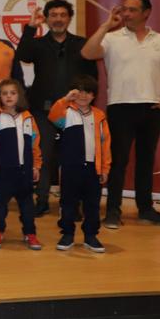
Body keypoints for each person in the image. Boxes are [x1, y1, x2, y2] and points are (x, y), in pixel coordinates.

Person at [80, 0, 160, 228]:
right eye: (124, 9)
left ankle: (146, 209)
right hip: (120, 106)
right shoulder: (112, 38)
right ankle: (113, 211)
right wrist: (106, 25)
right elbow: (87, 53)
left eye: (132, 10)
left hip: (152, 107)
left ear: (146, 13)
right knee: (118, 161)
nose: (126, 14)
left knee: (146, 160)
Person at [16, 0, 98, 216]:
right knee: (42, 155)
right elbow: (22, 55)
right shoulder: (38, 44)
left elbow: (92, 76)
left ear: (69, 18)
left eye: (63, 15)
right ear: (47, 19)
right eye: (53, 15)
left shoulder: (82, 44)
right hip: (43, 110)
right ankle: (42, 200)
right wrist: (31, 27)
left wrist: (88, 102)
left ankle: (71, 203)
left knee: (74, 158)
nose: (58, 19)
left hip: (75, 111)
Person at [48, 76, 110, 252]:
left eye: (88, 92)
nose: (83, 96)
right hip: (70, 168)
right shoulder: (66, 113)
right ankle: (67, 233)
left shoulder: (99, 116)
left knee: (92, 204)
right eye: (79, 92)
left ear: (94, 95)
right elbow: (52, 115)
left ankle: (90, 236)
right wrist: (65, 99)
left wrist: (105, 168)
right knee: (68, 202)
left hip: (93, 168)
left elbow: (105, 143)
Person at [0, 79, 43, 250]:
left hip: (25, 170)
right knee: (0, 204)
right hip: (4, 170)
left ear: (19, 96)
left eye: (12, 93)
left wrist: (36, 165)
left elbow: (35, 144)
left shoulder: (28, 117)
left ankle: (30, 233)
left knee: (27, 204)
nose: (8, 96)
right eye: (4, 93)